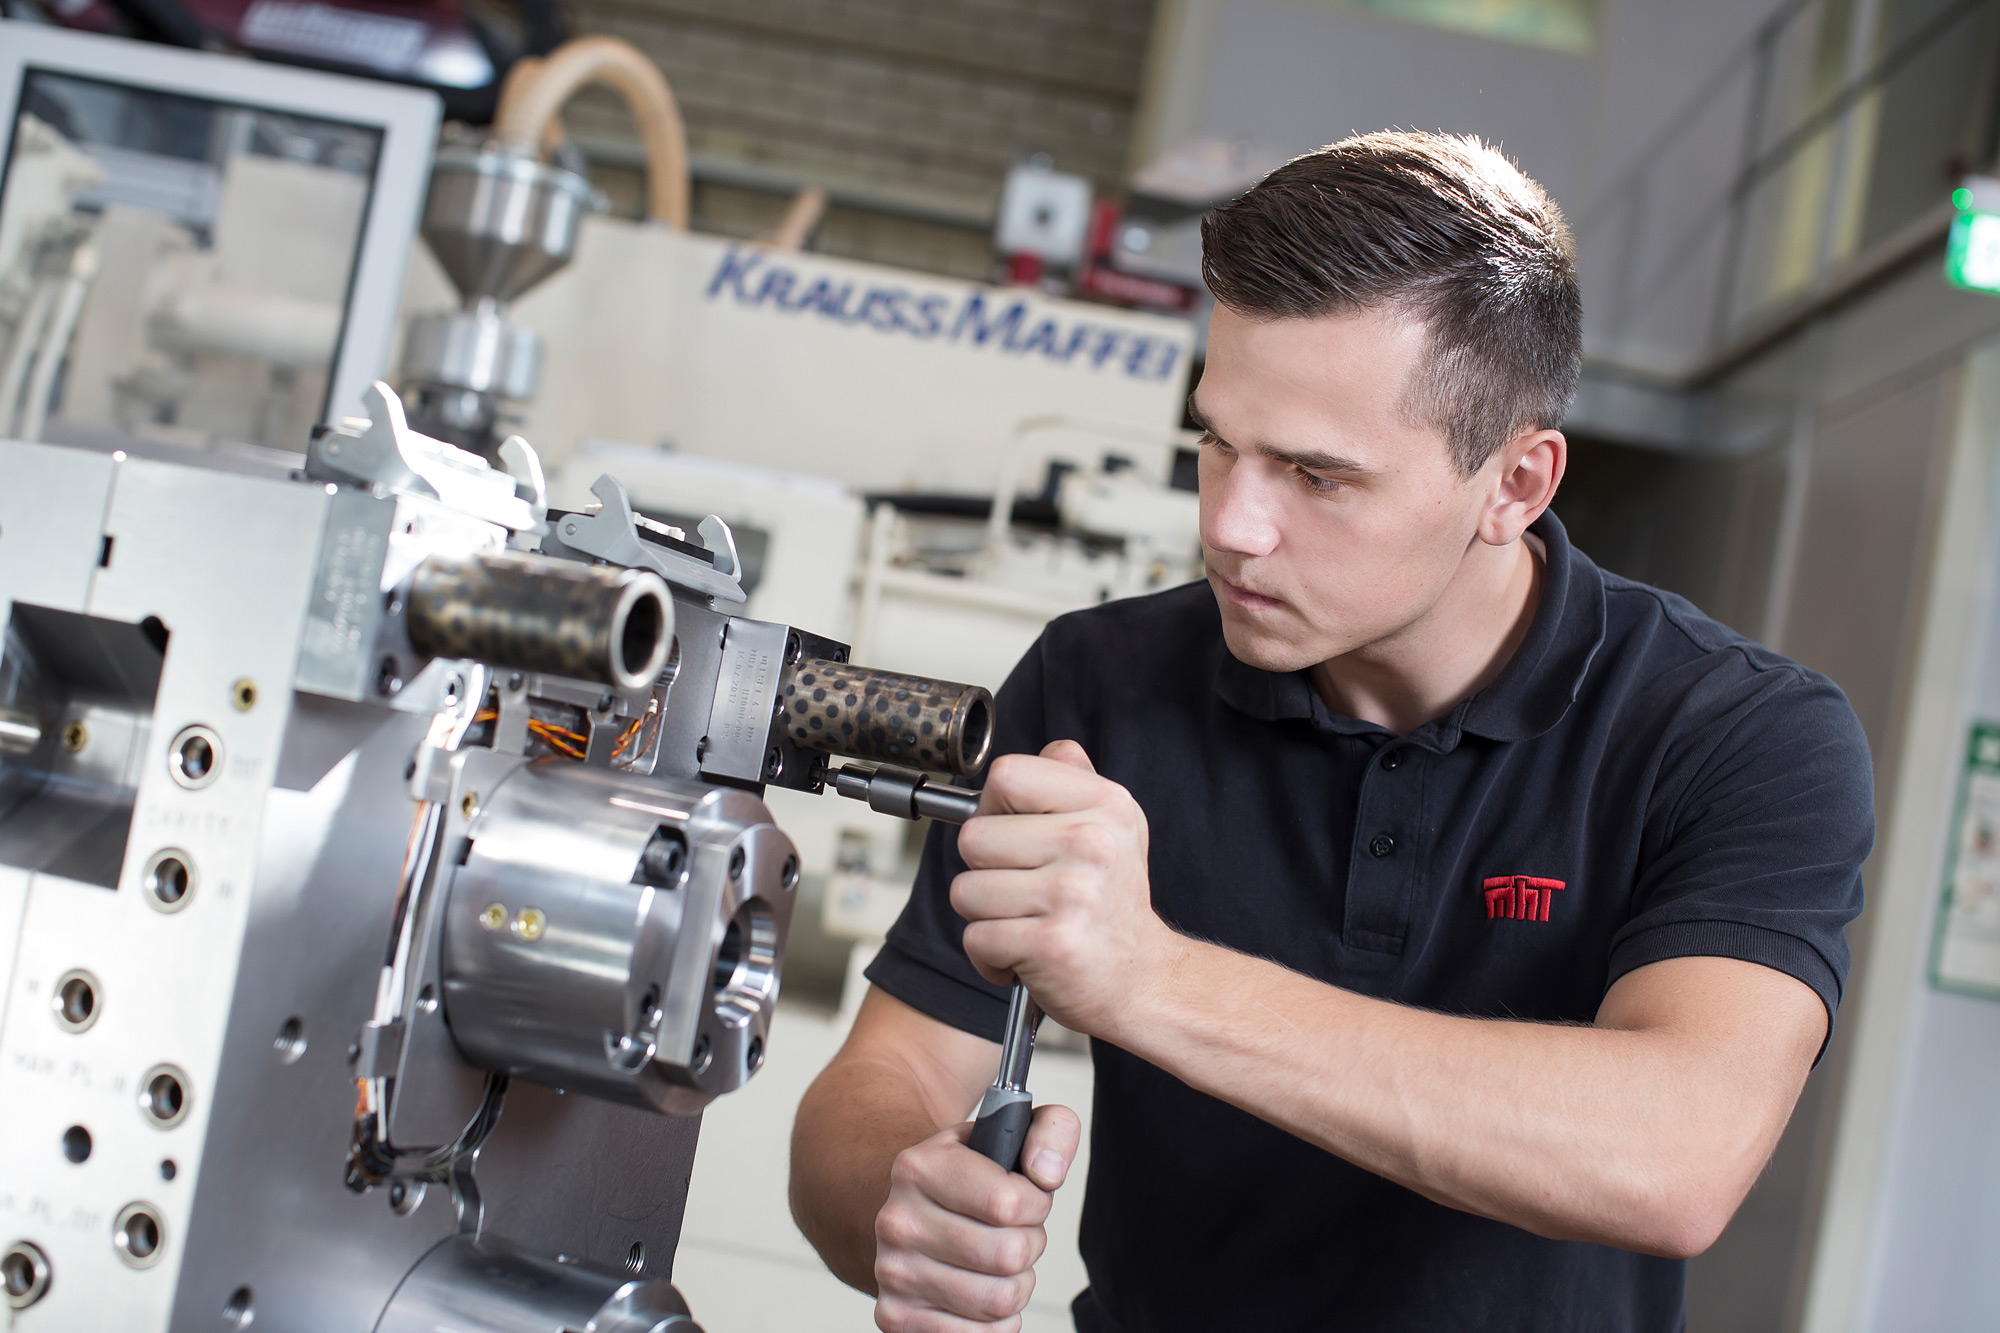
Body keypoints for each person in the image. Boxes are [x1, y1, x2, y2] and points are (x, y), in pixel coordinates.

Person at [788, 131, 1872, 1333]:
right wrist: (903, 1197)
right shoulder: (1100, 683)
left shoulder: (1732, 735)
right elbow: (878, 1083)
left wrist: (1149, 977)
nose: (1234, 527)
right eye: (1217, 445)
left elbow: (1672, 1155)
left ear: (1514, 484)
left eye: (1316, 476)